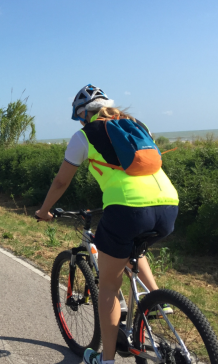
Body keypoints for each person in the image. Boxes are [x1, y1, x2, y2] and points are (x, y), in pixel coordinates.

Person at [34, 85, 179, 364]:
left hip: (127, 208)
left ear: (82, 115)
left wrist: (44, 210)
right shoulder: (137, 125)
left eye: (78, 118)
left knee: (109, 288)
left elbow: (61, 181)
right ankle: (156, 301)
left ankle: (107, 360)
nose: (79, 123)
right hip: (168, 204)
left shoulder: (84, 136)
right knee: (133, 251)